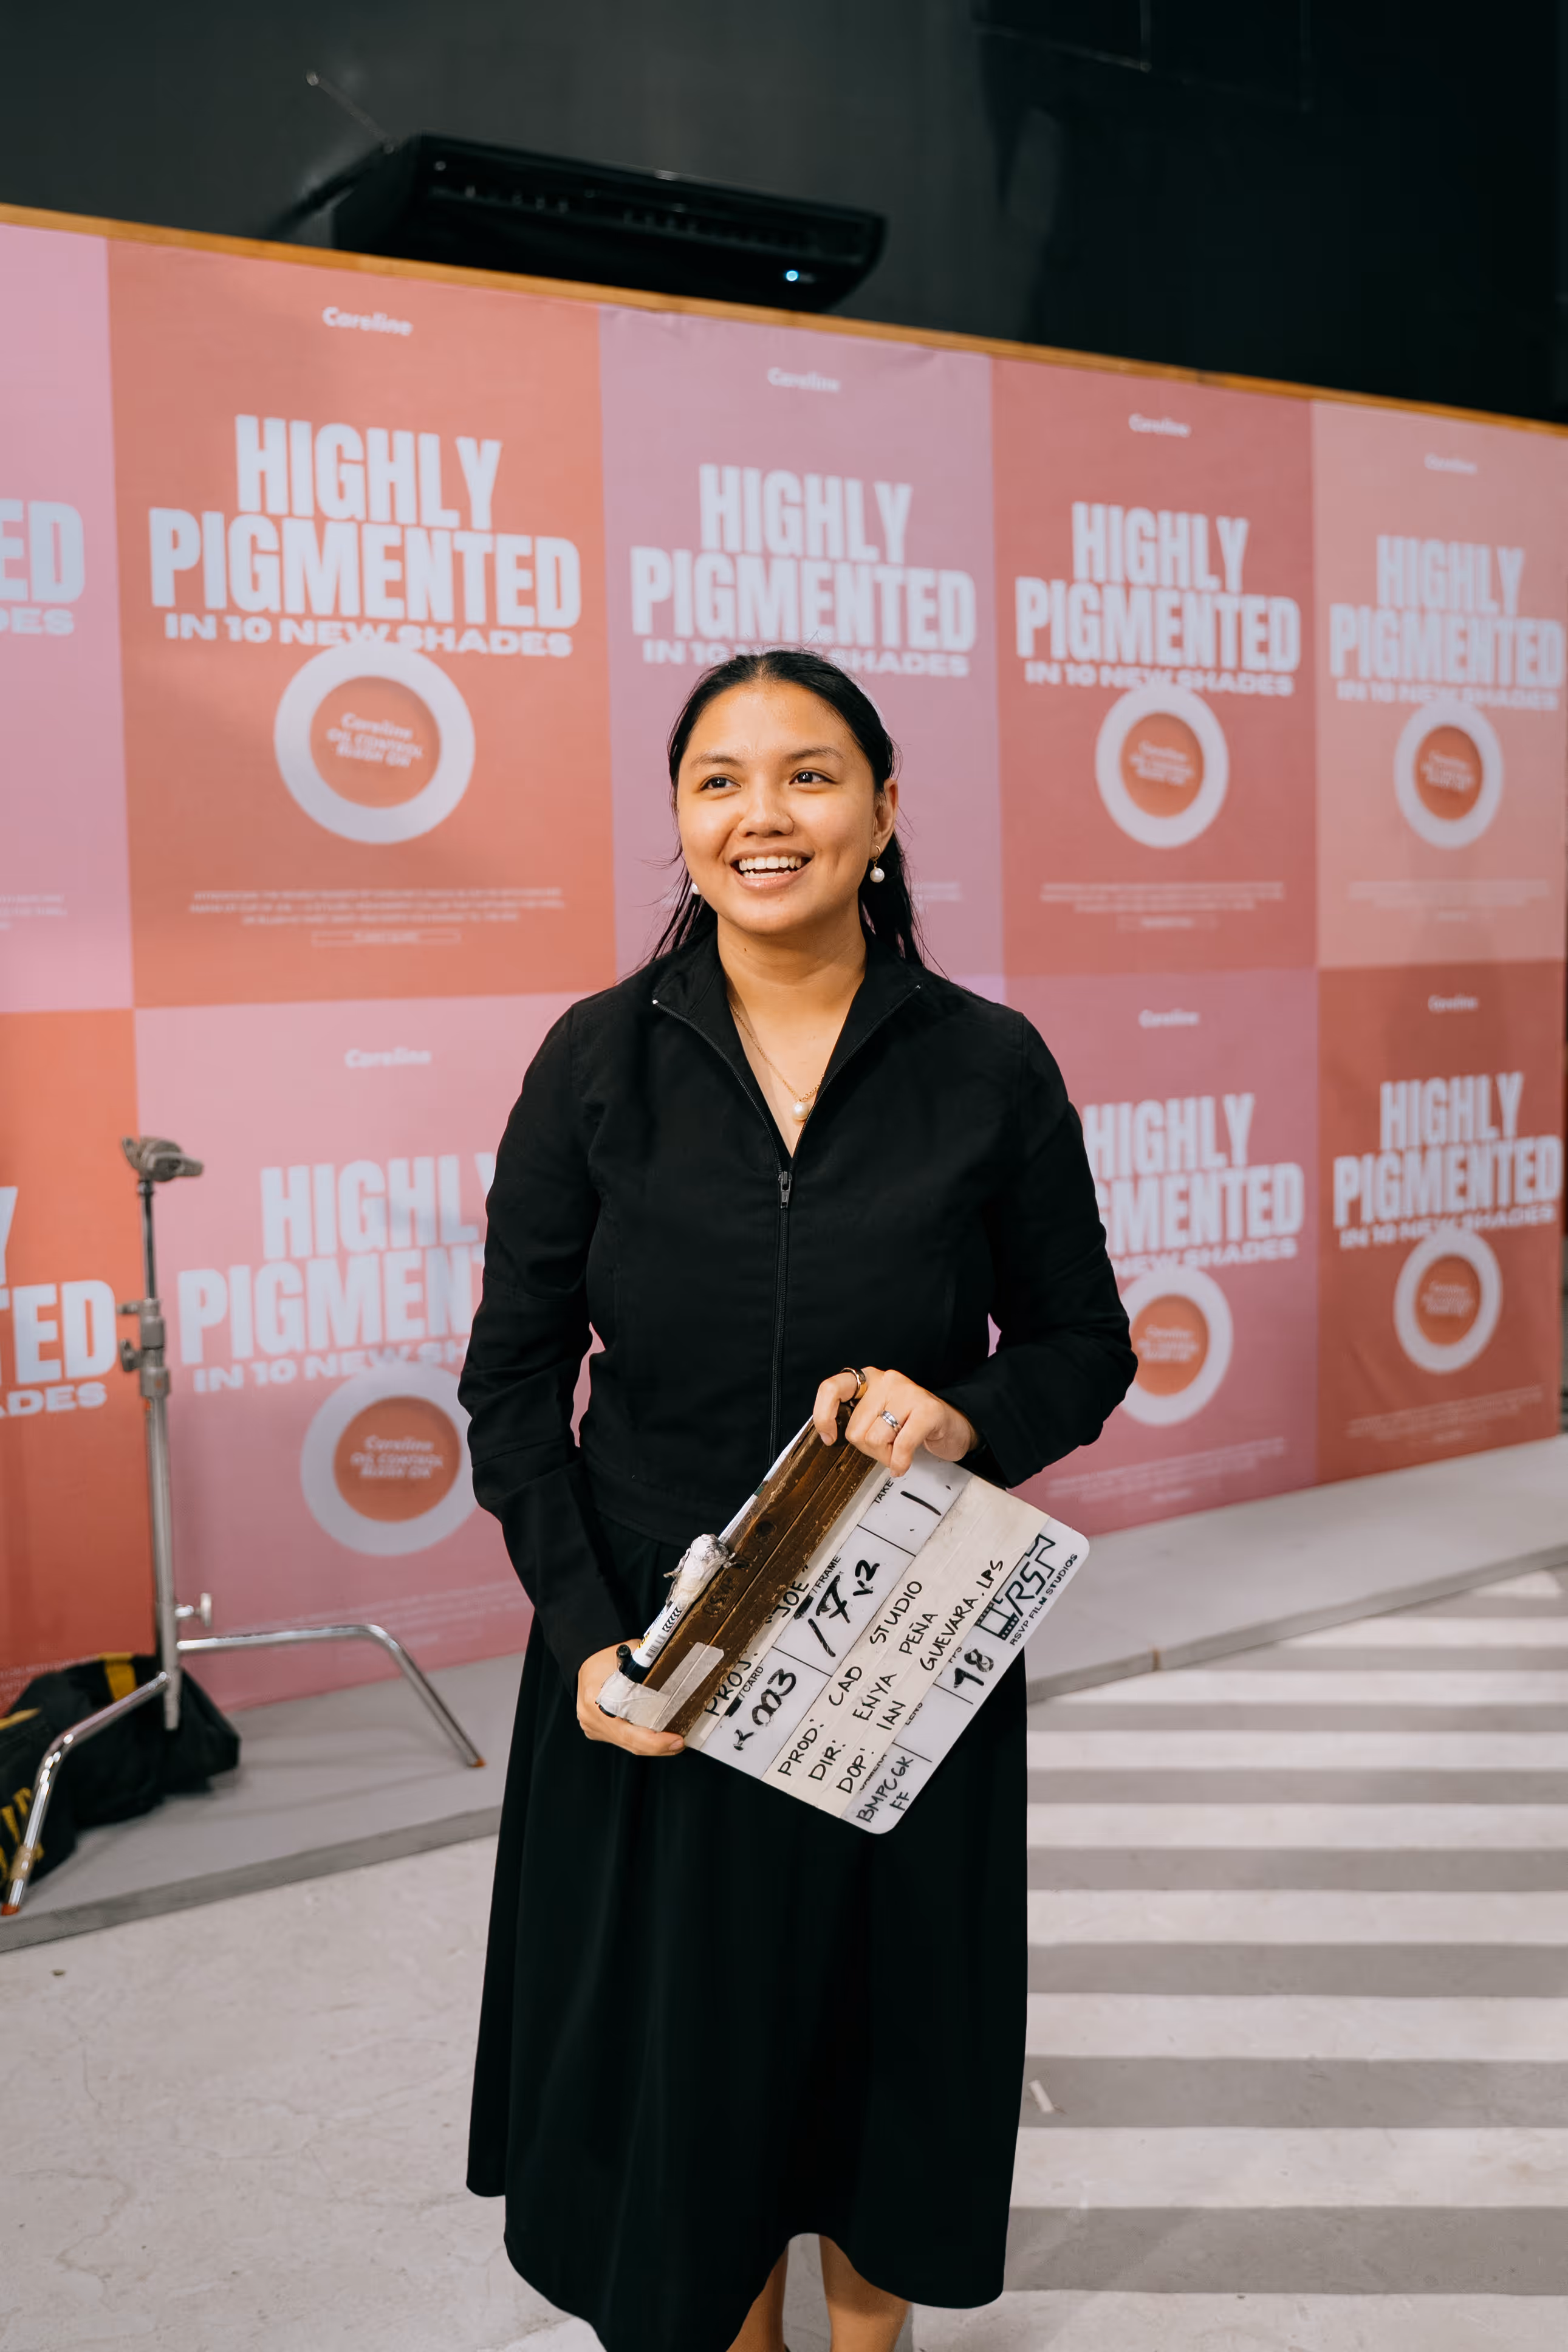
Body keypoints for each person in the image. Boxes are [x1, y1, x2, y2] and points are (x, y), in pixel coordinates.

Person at [460, 648, 1135, 2352]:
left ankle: (872, 2336)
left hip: (898, 1626)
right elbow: (511, 1387)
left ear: (884, 811)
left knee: (889, 2042)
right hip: (656, 1647)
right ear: (681, 819)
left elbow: (1084, 1344)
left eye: (810, 775)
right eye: (720, 780)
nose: (763, 815)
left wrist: (965, 1413)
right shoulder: (596, 1058)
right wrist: (589, 1641)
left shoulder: (986, 1062)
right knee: (692, 2075)